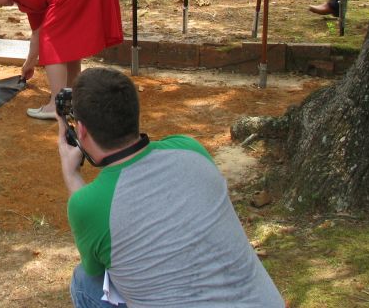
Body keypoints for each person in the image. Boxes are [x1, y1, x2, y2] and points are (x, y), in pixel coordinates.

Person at [57, 67, 285, 307]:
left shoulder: (87, 204)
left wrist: (71, 173)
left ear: (80, 130)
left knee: (84, 281)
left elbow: (95, 269)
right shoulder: (190, 148)